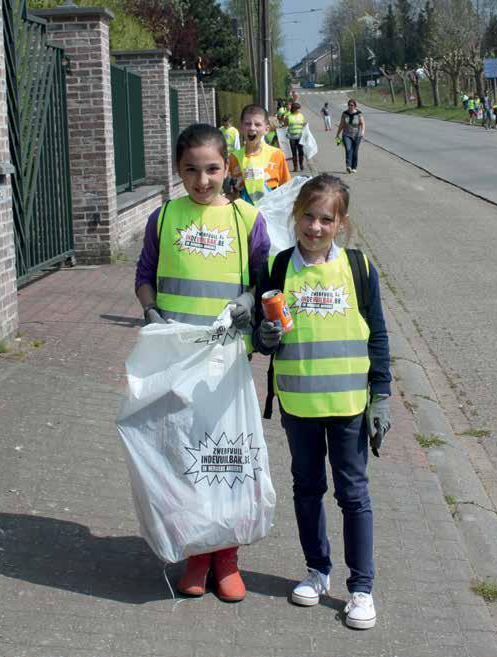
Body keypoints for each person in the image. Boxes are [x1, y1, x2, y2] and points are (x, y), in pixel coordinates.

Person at [134, 123, 271, 603]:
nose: (202, 179)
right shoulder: (164, 217)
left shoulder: (246, 220)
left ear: (227, 167)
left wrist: (250, 302)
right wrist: (149, 310)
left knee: (226, 458)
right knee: (183, 459)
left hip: (226, 363)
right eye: (190, 169)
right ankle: (196, 554)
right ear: (177, 170)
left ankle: (227, 556)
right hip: (176, 363)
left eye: (212, 168)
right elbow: (145, 274)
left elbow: (263, 281)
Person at [253, 173, 392, 630]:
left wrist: (383, 396)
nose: (315, 227)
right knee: (307, 490)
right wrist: (265, 337)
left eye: (325, 220)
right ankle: (317, 571)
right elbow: (263, 338)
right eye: (308, 217)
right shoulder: (278, 269)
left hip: (350, 405)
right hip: (299, 407)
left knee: (353, 495)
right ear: (295, 216)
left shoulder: (359, 268)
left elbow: (378, 337)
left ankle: (361, 588)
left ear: (341, 223)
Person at [228, 104, 291, 205]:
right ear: (241, 127)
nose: (252, 128)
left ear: (266, 129)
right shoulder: (233, 158)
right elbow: (228, 190)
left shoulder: (277, 155)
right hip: (242, 215)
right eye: (247, 124)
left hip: (269, 215)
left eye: (257, 124)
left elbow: (287, 189)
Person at [336, 98, 365, 174]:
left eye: (351, 105)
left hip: (357, 135)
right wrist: (337, 134)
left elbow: (362, 123)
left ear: (355, 106)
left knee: (355, 151)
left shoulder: (359, 113)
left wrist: (362, 131)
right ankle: (348, 166)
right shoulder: (345, 113)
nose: (350, 106)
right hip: (346, 135)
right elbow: (341, 124)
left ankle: (354, 167)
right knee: (348, 149)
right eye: (349, 105)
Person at [286, 101, 307, 172]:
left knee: (301, 151)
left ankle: (301, 164)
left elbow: (303, 123)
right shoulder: (289, 116)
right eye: (297, 109)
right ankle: (295, 167)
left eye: (299, 109)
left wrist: (305, 124)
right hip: (292, 137)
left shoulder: (301, 115)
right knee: (294, 152)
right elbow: (285, 125)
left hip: (300, 136)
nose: (299, 110)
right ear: (294, 109)